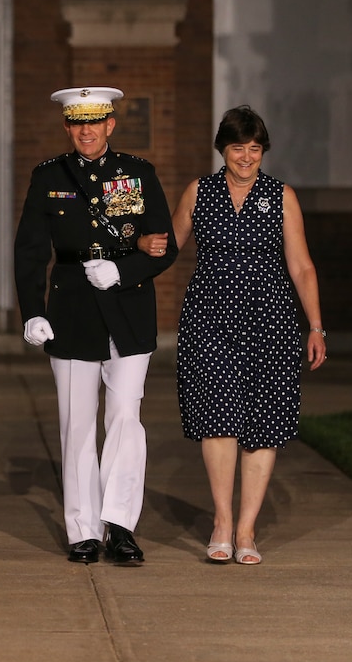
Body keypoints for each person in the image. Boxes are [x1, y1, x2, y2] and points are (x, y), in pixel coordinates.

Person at [139, 105, 326, 565]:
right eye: (238, 148)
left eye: (255, 148)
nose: (246, 157)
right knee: (218, 418)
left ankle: (247, 531)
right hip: (210, 319)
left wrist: (316, 326)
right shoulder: (199, 192)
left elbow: (301, 265)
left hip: (272, 321)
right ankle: (221, 523)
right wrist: (136, 250)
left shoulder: (280, 196)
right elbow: (168, 248)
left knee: (262, 425)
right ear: (223, 149)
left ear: (264, 152)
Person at [14, 86, 178, 564]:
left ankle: (121, 525)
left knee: (126, 419)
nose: (86, 130)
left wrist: (124, 271)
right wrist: (32, 311)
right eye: (76, 122)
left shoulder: (138, 173)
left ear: (110, 124)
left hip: (127, 305)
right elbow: (29, 250)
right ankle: (84, 529)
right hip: (71, 307)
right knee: (77, 423)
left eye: (95, 120)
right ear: (67, 126)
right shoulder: (49, 176)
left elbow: (164, 244)